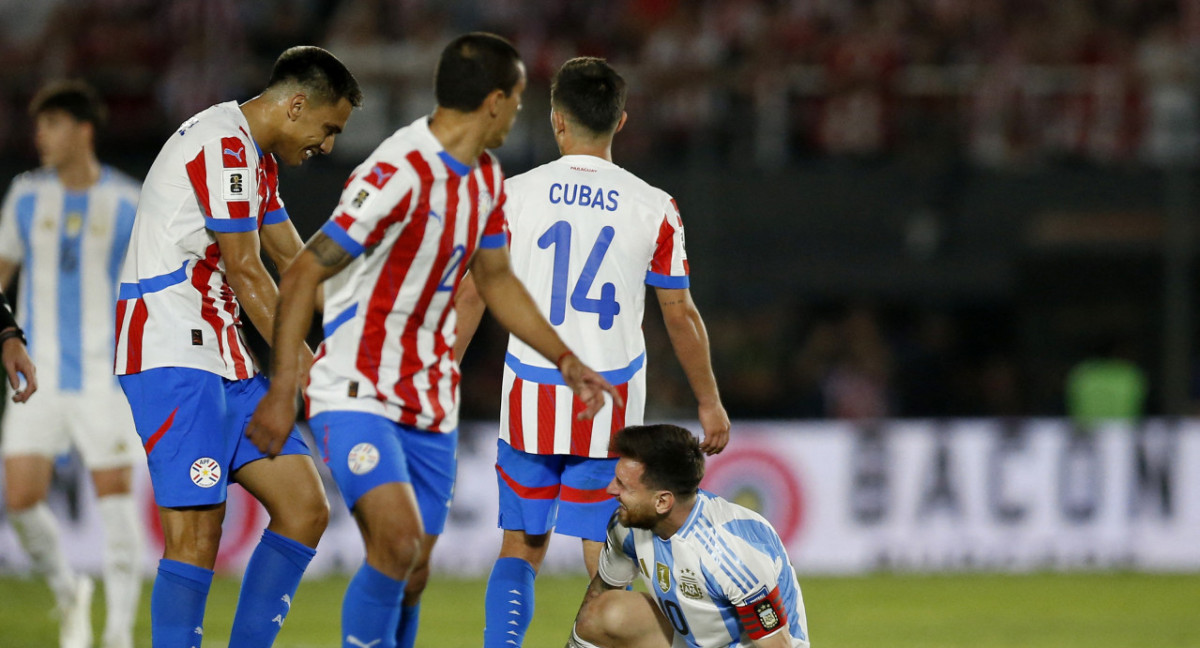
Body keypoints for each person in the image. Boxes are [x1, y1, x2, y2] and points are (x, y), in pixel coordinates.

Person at [245, 33, 622, 648]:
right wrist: (285, 385)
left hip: (430, 400)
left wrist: (565, 358)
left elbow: (496, 279)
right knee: (393, 543)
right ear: (496, 102)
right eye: (520, 99)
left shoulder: (484, 180)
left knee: (415, 569)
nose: (521, 113)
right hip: (357, 392)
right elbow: (306, 269)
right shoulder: (398, 170)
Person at [453, 56, 731, 648]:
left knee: (520, 546)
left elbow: (474, 292)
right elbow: (678, 313)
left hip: (529, 392)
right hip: (608, 405)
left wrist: (441, 371)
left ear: (556, 121)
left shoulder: (510, 195)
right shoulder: (654, 205)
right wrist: (709, 401)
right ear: (621, 121)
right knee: (606, 559)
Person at [113, 47, 362, 647]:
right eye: (329, 128)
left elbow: (293, 261)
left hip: (222, 353)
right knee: (197, 535)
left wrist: (362, 323)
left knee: (305, 507)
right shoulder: (222, 145)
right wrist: (304, 366)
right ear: (296, 103)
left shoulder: (257, 160)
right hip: (172, 350)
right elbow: (248, 271)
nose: (328, 146)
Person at [1, 82, 105, 646]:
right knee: (20, 499)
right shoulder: (23, 194)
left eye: (52, 124)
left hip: (104, 375)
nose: (39, 136)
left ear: (82, 130)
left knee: (120, 501)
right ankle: (70, 588)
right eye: (37, 126)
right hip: (38, 373)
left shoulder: (124, 199)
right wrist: (7, 335)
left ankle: (115, 629)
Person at [567, 424, 810, 648]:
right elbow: (599, 596)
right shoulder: (627, 525)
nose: (611, 489)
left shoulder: (730, 555)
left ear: (662, 501)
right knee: (602, 613)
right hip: (692, 641)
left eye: (623, 485)